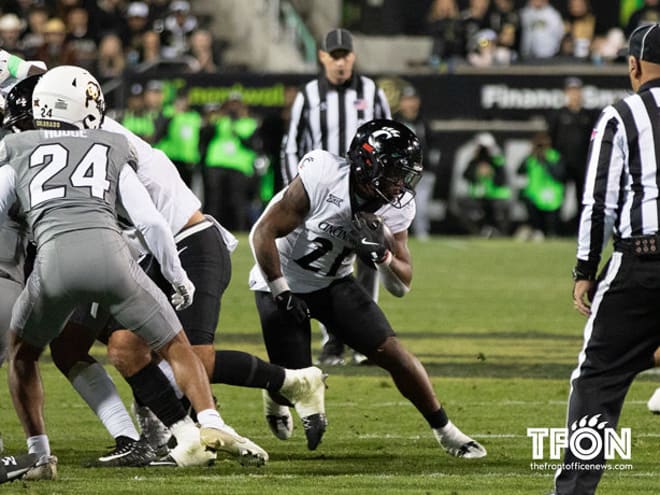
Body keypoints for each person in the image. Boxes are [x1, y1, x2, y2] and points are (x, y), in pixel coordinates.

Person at [1, 64, 326, 464]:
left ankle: (291, 383)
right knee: (95, 347)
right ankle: (164, 435)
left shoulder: (99, 142)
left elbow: (148, 221)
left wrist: (174, 277)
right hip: (136, 251)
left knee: (188, 353)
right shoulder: (85, 137)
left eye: (29, 121)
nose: (23, 132)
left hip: (185, 242)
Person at [250, 118, 487, 459]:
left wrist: (384, 255)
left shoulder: (393, 209)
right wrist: (281, 291)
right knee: (295, 385)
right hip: (281, 277)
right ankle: (276, 394)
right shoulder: (323, 175)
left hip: (333, 282)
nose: (400, 185)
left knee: (394, 354)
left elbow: (401, 285)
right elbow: (262, 233)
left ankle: (447, 431)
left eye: (406, 175)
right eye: (394, 173)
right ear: (368, 164)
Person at [552, 23, 660, 495]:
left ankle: (575, 491)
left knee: (597, 380)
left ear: (633, 65)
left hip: (641, 263)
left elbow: (600, 203)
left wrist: (584, 271)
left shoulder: (621, 115)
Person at [281, 27, 391, 368]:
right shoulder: (309, 95)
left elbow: (388, 135)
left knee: (368, 263)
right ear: (323, 57)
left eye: (346, 56)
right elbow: (291, 146)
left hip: (364, 193)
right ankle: (332, 341)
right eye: (335, 56)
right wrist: (294, 191)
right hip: (321, 193)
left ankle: (364, 340)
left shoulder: (372, 92)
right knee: (325, 268)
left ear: (353, 57)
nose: (341, 63)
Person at [546, 77, 597, 232]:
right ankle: (555, 230)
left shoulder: (588, 115)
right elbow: (552, 137)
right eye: (571, 91)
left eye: (577, 91)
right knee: (557, 197)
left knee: (582, 198)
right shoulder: (558, 114)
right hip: (563, 162)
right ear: (566, 93)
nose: (574, 94)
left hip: (582, 164)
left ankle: (580, 230)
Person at [393, 84, 438, 240]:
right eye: (406, 100)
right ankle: (394, 236)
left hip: (422, 172)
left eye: (412, 100)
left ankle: (422, 236)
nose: (410, 104)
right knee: (395, 207)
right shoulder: (395, 122)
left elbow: (433, 147)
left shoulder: (424, 122)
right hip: (400, 173)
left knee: (421, 207)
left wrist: (431, 166)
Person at [517, 131, 566, 240]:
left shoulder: (554, 156)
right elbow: (519, 171)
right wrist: (530, 154)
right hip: (535, 194)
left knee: (551, 223)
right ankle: (537, 231)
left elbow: (559, 175)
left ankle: (551, 233)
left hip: (552, 194)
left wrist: (546, 161)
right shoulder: (531, 158)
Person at [462, 133, 511, 237]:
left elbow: (501, 180)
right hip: (479, 196)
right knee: (468, 210)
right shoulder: (474, 161)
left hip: (496, 196)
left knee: (497, 214)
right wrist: (476, 171)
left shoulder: (497, 161)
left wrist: (491, 172)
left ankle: (497, 233)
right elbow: (466, 175)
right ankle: (480, 232)